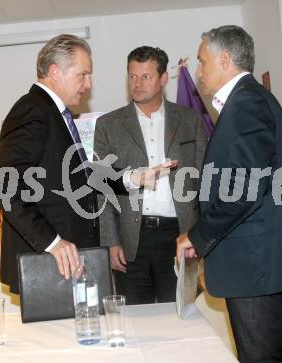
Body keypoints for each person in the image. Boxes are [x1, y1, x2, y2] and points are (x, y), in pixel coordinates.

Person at [0, 35, 171, 294]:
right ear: (55, 72)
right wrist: (52, 243)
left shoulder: (55, 112)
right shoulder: (34, 110)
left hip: (67, 261)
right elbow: (4, 184)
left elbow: (80, 176)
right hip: (49, 261)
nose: (88, 84)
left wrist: (133, 178)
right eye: (83, 75)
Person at [176, 26, 282, 362]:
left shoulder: (247, 102)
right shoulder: (245, 101)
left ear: (224, 60)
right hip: (253, 265)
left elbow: (244, 189)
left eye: (203, 62)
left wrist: (198, 234)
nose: (198, 71)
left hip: (256, 267)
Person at [94, 46, 207, 305]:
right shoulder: (108, 126)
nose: (137, 84)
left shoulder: (190, 120)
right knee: (135, 323)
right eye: (132, 76)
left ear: (163, 79)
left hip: (179, 236)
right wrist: (111, 242)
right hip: (131, 240)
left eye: (146, 76)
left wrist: (200, 235)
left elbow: (205, 182)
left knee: (183, 316)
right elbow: (102, 189)